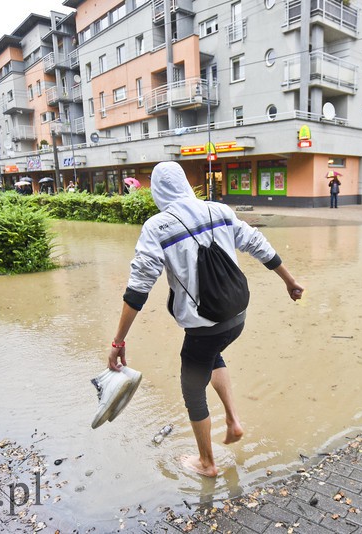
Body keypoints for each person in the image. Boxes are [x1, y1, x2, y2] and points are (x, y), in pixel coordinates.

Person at [106, 161, 304, 478]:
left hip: (204, 326)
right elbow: (258, 244)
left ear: (157, 191)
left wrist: (118, 342)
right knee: (213, 354)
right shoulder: (220, 211)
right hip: (237, 316)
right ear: (185, 184)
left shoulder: (157, 227)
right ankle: (233, 420)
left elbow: (138, 289)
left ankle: (207, 464)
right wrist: (290, 281)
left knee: (192, 387)